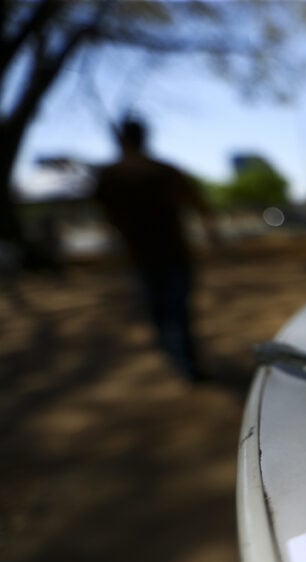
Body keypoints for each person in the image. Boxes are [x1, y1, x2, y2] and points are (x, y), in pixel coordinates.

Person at [93, 116, 220, 382]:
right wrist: (212, 234)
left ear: (121, 139)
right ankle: (178, 355)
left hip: (165, 254)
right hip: (153, 256)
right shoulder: (113, 177)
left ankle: (184, 360)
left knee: (173, 309)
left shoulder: (154, 173)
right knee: (164, 310)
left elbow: (196, 203)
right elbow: (199, 205)